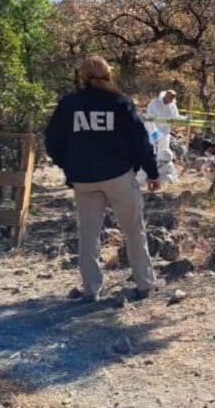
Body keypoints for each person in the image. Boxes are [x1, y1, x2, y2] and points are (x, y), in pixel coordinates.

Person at [45, 56, 161, 302]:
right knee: (134, 230)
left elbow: (52, 141)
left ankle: (91, 290)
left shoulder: (69, 104)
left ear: (82, 77)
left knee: (88, 235)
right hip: (119, 177)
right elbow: (140, 140)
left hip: (83, 180)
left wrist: (69, 167)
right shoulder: (120, 102)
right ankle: (145, 284)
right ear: (109, 74)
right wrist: (151, 172)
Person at [141, 89, 184, 184]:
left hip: (165, 133)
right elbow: (149, 118)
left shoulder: (172, 105)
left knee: (164, 154)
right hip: (153, 132)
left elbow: (175, 117)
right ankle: (148, 176)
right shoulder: (155, 103)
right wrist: (154, 134)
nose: (171, 101)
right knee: (153, 153)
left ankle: (162, 176)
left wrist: (185, 118)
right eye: (170, 98)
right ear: (166, 96)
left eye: (172, 99)